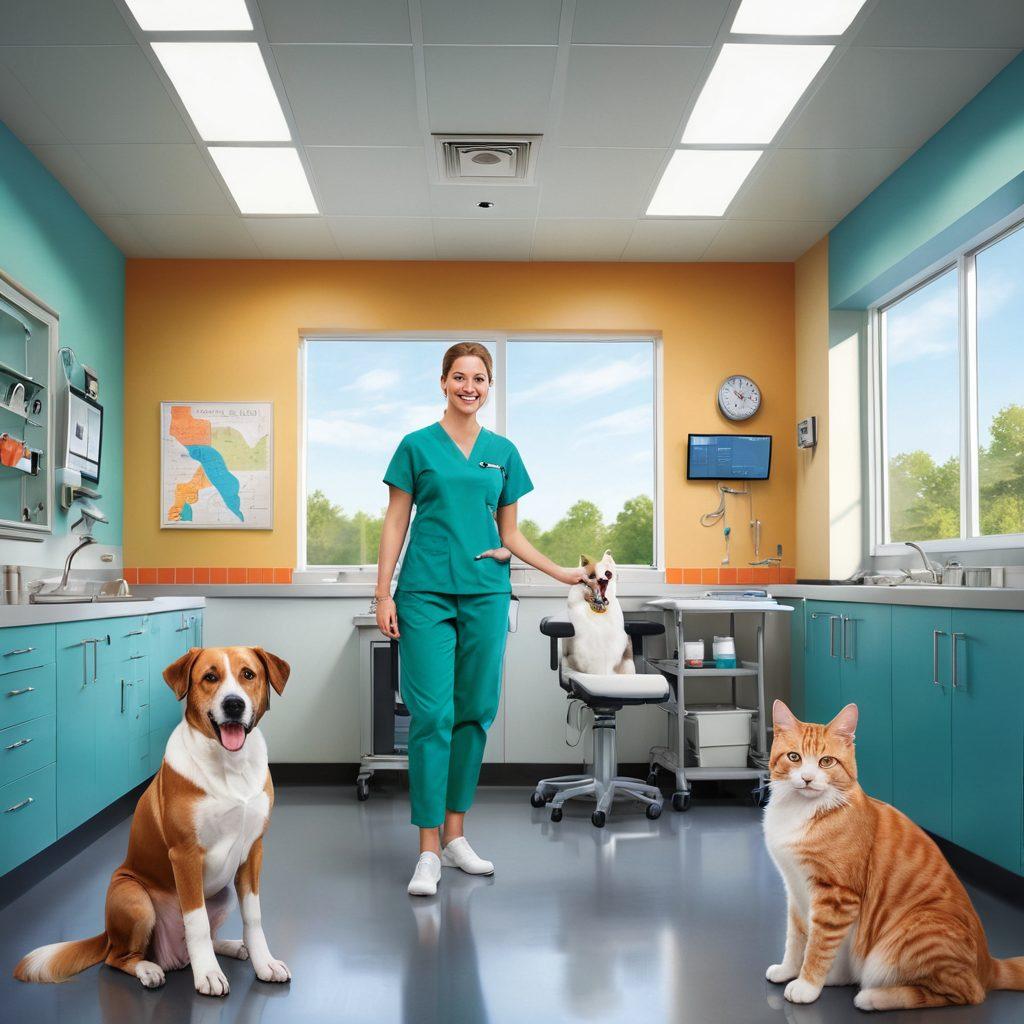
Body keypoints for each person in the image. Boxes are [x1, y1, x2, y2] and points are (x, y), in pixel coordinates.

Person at [375, 342, 589, 896]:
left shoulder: (503, 451)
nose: (470, 386)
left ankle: (455, 837)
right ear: (442, 382)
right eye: (460, 376)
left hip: (487, 594)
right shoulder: (416, 446)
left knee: (475, 713)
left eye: (480, 378)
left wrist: (563, 574)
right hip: (423, 592)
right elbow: (396, 522)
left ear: (489, 386)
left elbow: (510, 533)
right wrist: (384, 594)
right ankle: (426, 852)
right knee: (431, 716)